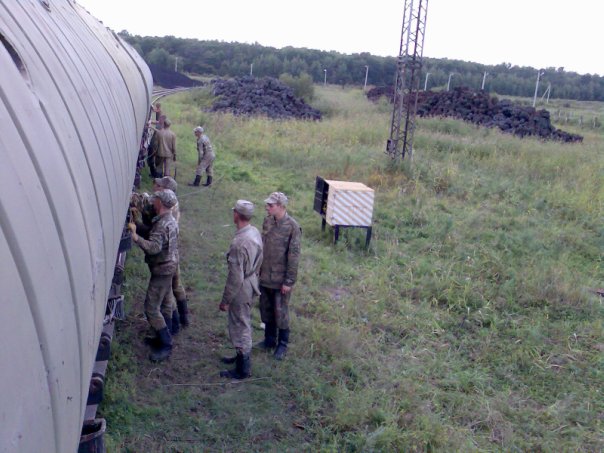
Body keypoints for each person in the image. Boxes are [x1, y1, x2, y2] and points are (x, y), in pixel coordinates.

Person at [130, 177, 189, 332]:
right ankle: (175, 325)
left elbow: (155, 244)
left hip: (165, 258)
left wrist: (136, 236)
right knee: (168, 294)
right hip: (170, 255)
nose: (155, 187)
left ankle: (170, 331)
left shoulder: (165, 218)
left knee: (168, 292)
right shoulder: (169, 210)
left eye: (158, 186)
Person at [128, 189, 179, 362]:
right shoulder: (169, 220)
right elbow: (152, 233)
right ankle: (168, 332)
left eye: (156, 199)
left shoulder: (163, 224)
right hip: (168, 266)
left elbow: (154, 247)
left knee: (151, 308)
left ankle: (166, 343)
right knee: (165, 303)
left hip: (162, 269)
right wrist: (138, 223)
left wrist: (135, 237)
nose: (153, 201)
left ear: (161, 203)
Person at [219, 200, 263, 379]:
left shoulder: (239, 242)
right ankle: (240, 356)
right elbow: (260, 258)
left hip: (241, 286)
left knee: (240, 324)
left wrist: (225, 300)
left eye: (234, 212)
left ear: (237, 215)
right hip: (251, 280)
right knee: (242, 321)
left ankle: (243, 368)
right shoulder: (254, 232)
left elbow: (235, 278)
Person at [258, 192, 301, 360]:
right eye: (267, 205)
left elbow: (294, 256)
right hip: (265, 275)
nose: (267, 207)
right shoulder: (268, 221)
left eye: (271, 205)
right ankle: (269, 340)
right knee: (266, 309)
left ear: (282, 207)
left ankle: (282, 344)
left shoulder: (292, 227)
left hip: (280, 279)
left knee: (281, 312)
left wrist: (289, 281)